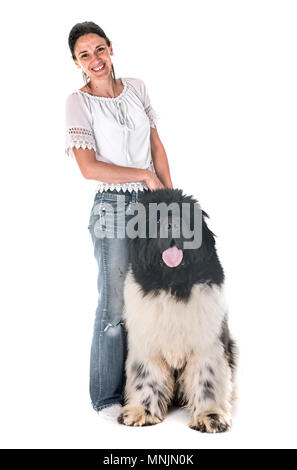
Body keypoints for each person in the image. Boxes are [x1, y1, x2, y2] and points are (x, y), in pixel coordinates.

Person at [65, 21, 173, 420]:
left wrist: (169, 196)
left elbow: (156, 145)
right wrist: (143, 176)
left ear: (111, 48)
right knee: (113, 305)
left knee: (150, 300)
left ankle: (146, 391)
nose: (95, 59)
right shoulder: (79, 103)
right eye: (84, 55)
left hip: (150, 205)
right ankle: (107, 399)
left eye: (99, 49)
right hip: (112, 210)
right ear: (76, 62)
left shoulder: (138, 88)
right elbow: (89, 169)